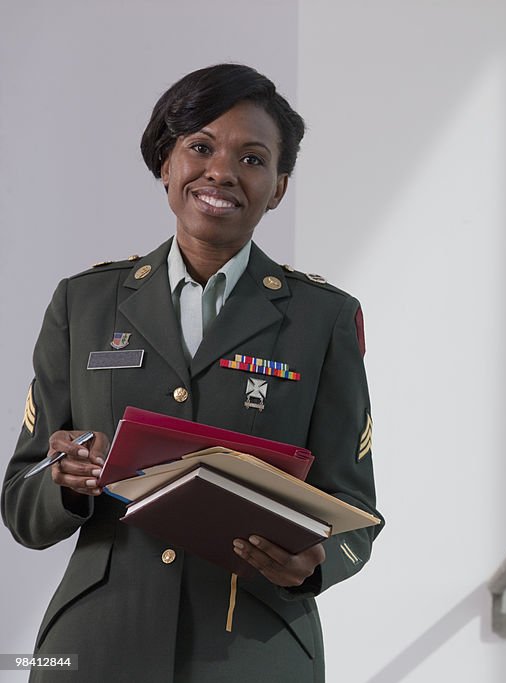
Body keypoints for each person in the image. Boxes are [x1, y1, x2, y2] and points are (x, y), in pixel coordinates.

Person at [1, 64, 383, 682]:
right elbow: (22, 501)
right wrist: (65, 480)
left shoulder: (323, 318)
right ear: (165, 165)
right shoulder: (84, 303)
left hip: (255, 651)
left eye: (253, 159)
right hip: (94, 646)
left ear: (279, 186)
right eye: (200, 148)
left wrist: (313, 565)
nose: (223, 172)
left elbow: (353, 510)